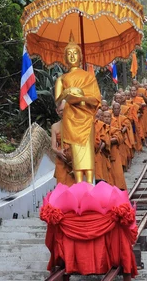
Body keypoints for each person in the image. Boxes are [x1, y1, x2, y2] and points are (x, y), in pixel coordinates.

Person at [54, 37, 101, 183]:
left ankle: (90, 187)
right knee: (77, 159)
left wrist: (81, 97)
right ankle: (80, 188)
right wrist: (67, 93)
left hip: (86, 120)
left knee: (88, 157)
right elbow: (57, 100)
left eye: (75, 53)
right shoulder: (61, 79)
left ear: (81, 56)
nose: (73, 56)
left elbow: (96, 100)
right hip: (71, 121)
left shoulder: (89, 77)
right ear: (65, 58)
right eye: (69, 54)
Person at [50, 100, 76, 186]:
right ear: (57, 111)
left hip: (74, 161)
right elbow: (53, 147)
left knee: (74, 187)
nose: (63, 112)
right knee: (61, 186)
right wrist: (59, 152)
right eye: (61, 110)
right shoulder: (54, 126)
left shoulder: (75, 124)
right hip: (61, 160)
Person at [103, 110, 127, 190]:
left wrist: (105, 141)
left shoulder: (114, 129)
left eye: (108, 117)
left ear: (111, 118)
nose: (106, 119)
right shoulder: (99, 129)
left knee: (118, 178)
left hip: (114, 158)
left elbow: (118, 138)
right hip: (103, 160)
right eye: (105, 117)